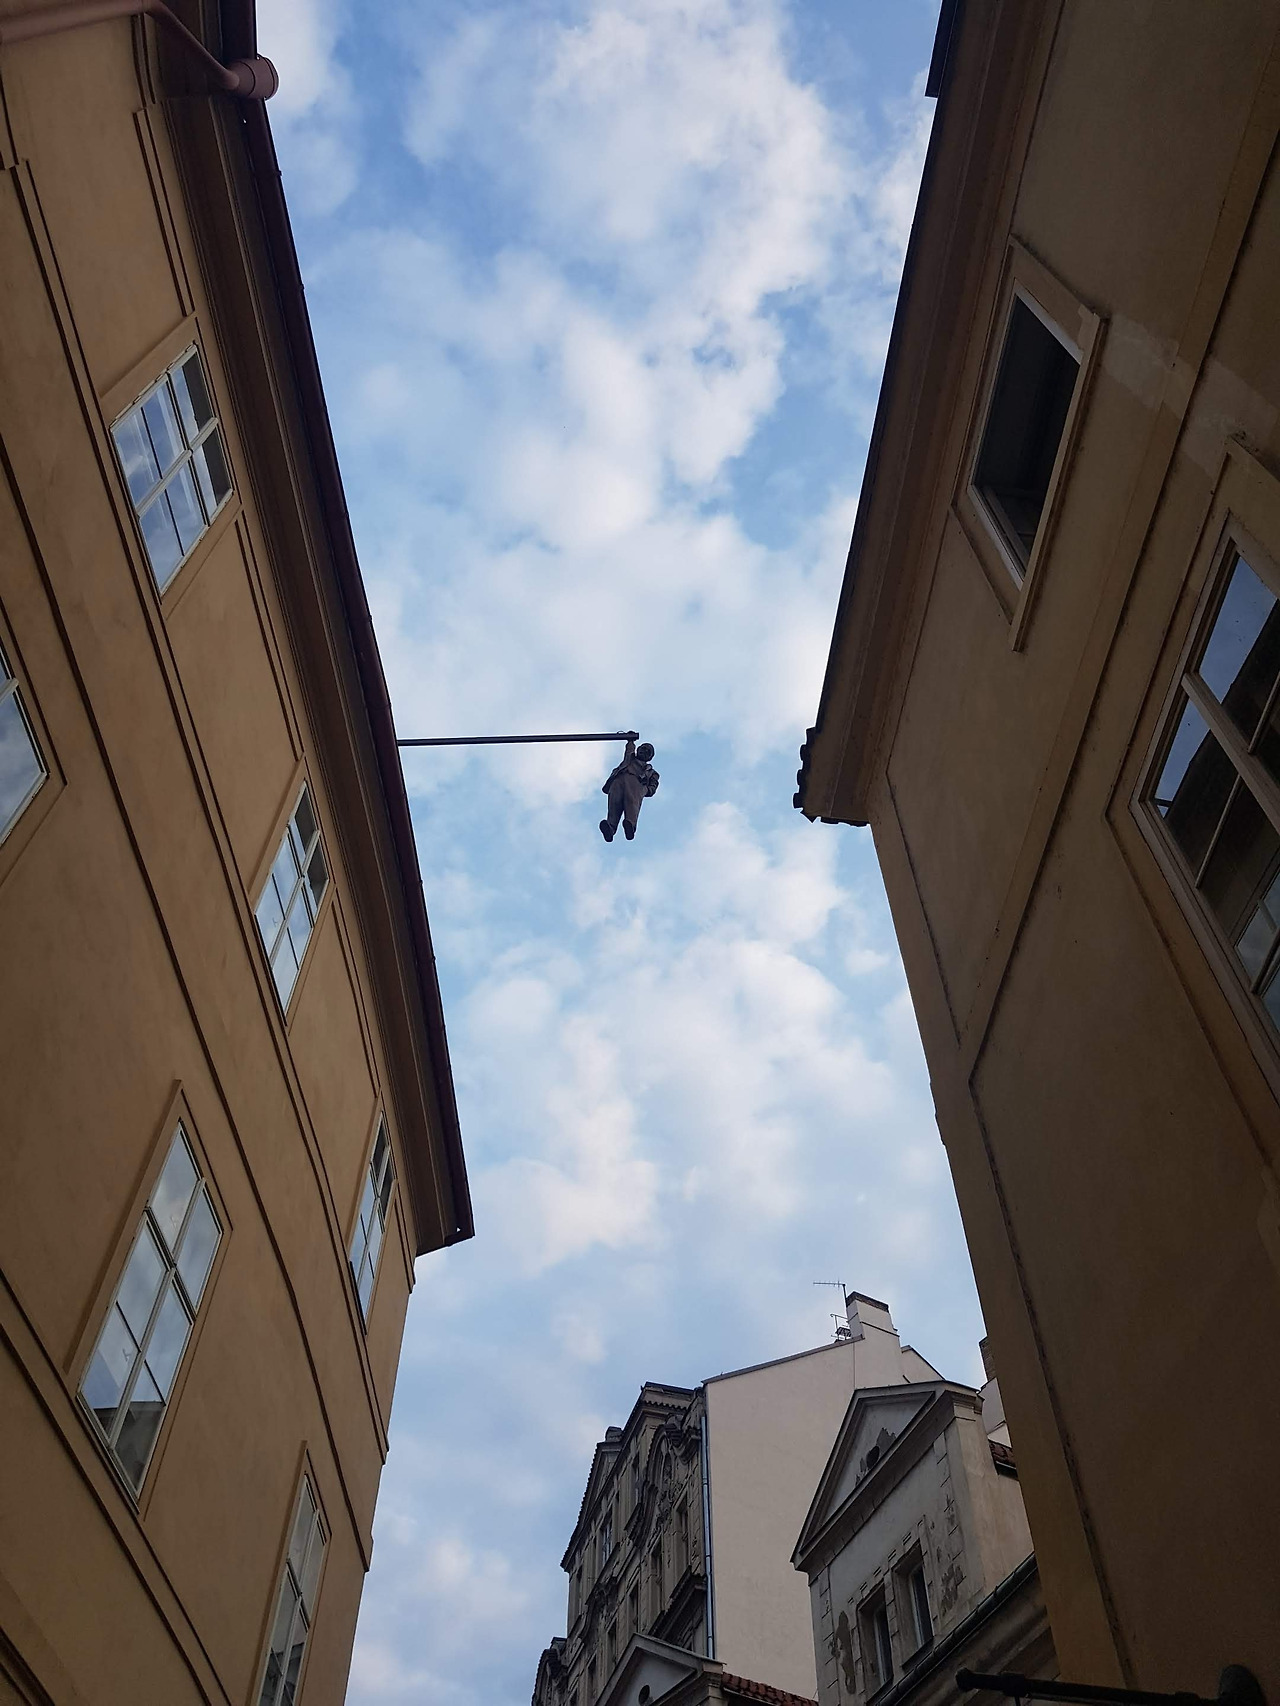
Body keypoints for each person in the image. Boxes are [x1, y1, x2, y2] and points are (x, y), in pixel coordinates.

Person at [600, 738, 658, 841]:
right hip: (619, 780)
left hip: (635, 785)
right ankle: (610, 828)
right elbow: (629, 749)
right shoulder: (630, 758)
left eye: (647, 751)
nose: (644, 751)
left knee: (632, 805)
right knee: (614, 804)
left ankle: (630, 825)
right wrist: (630, 741)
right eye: (643, 748)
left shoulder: (651, 772)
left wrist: (644, 790)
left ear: (650, 757)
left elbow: (653, 787)